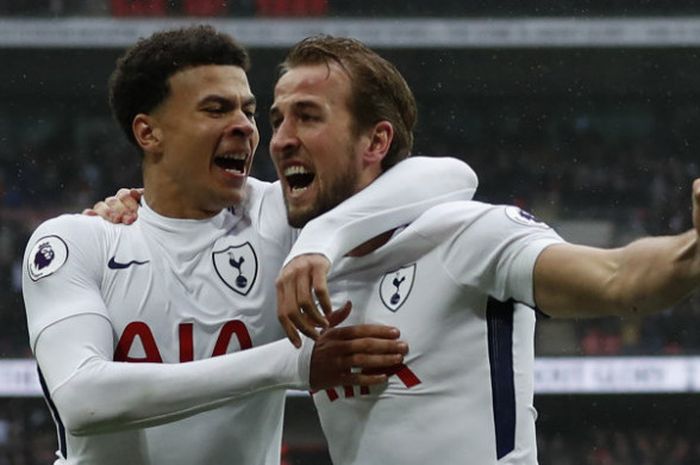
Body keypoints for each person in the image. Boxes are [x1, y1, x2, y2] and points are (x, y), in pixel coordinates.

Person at [21, 27, 479, 465]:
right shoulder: (76, 241)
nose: (245, 126)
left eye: (248, 110)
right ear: (149, 133)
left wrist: (318, 241)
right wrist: (292, 362)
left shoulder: (279, 218)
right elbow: (83, 398)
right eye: (216, 109)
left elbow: (452, 177)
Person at [269, 36, 700, 465]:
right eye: (276, 121)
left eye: (307, 117)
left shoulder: (467, 235)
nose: (282, 140)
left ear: (376, 142)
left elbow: (618, 277)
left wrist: (693, 251)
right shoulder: (304, 270)